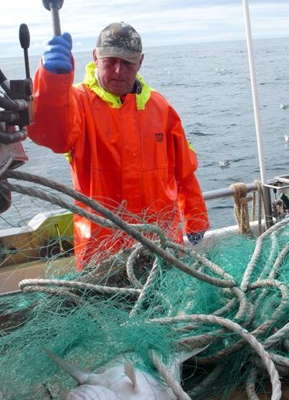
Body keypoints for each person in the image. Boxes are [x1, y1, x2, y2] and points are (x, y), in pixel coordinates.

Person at [28, 22, 210, 266]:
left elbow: (184, 172)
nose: (117, 71)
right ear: (96, 57)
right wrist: (52, 82)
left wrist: (195, 219)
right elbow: (50, 134)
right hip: (101, 256)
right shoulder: (76, 103)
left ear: (141, 62)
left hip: (162, 248)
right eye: (110, 61)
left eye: (127, 63)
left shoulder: (161, 108)